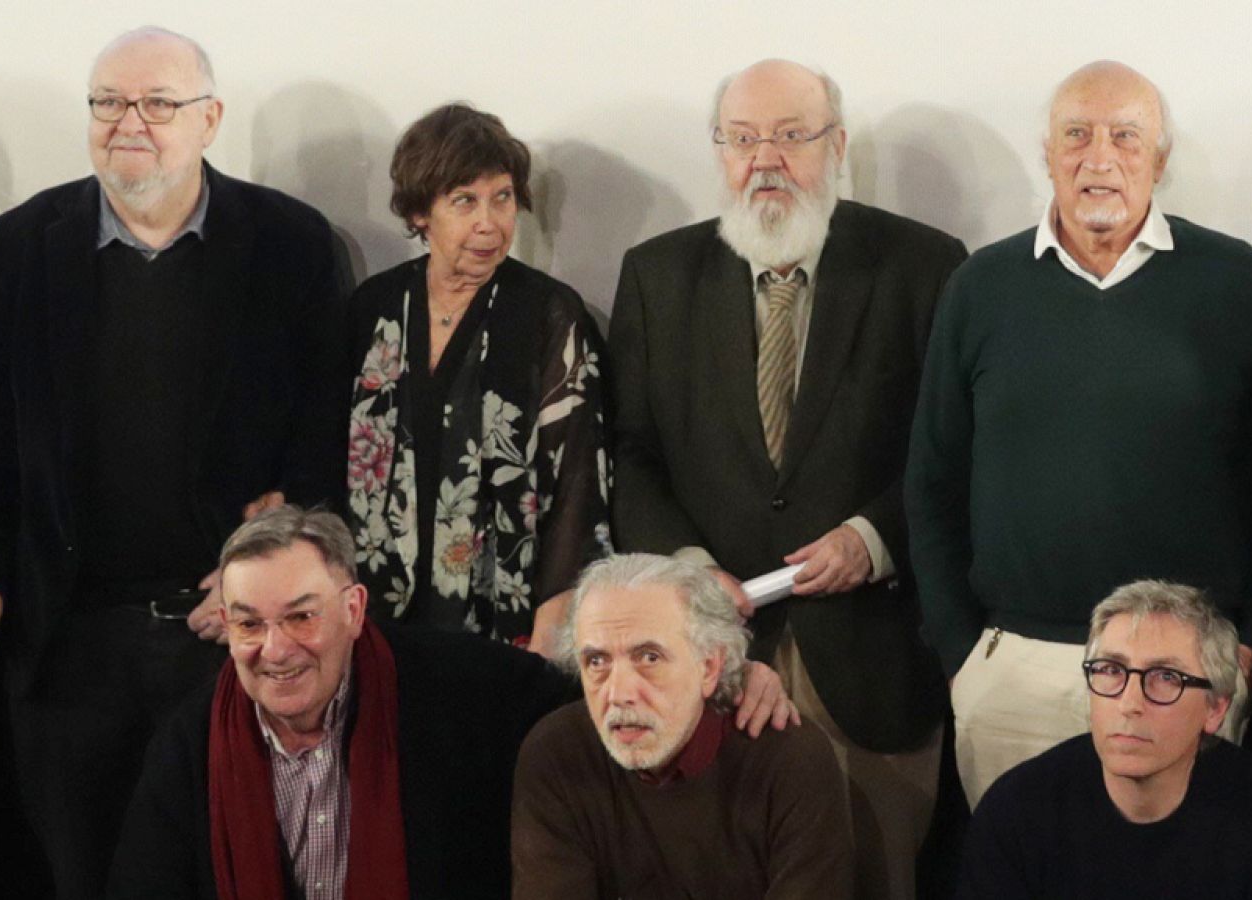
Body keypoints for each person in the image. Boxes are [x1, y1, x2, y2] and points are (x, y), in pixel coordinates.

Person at [0, 26, 345, 897]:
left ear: (210, 120)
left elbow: (323, 433)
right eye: (107, 102)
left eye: (158, 104)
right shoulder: (24, 244)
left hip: (219, 633)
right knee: (76, 872)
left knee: (222, 872)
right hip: (65, 634)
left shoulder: (289, 241)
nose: (127, 122)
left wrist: (270, 574)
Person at [607, 59, 966, 899]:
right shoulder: (658, 275)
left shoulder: (923, 265)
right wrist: (689, 569)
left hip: (873, 664)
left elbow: (950, 447)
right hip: (712, 663)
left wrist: (873, 538)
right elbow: (627, 453)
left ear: (835, 146)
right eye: (742, 139)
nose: (764, 159)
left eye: (791, 136)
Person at [906, 60, 1252, 808]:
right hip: (1013, 672)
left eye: (1125, 135)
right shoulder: (981, 287)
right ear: (1047, 154)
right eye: (1076, 135)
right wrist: (964, 657)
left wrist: (1246, 649)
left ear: (1161, 157)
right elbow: (932, 480)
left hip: (1182, 672)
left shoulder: (1234, 281)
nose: (1099, 157)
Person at [108, 508, 796, 900]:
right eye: (248, 624)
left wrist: (729, 681)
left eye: (301, 617)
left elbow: (604, 702)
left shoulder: (460, 689)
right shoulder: (191, 742)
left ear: (353, 610)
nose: (275, 648)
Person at [346, 103, 609, 651]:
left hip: (504, 623)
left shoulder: (548, 313)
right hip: (375, 616)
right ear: (421, 213)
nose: (489, 222)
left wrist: (549, 635)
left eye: (503, 198)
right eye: (464, 201)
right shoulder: (374, 306)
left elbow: (579, 485)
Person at [958, 581, 1252, 899]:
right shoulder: (1016, 813)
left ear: (1216, 709)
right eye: (1110, 670)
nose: (1129, 703)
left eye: (1166, 677)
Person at [512, 553, 854, 899]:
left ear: (709, 667)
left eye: (649, 658)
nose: (618, 694)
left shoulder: (790, 758)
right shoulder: (556, 754)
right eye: (596, 661)